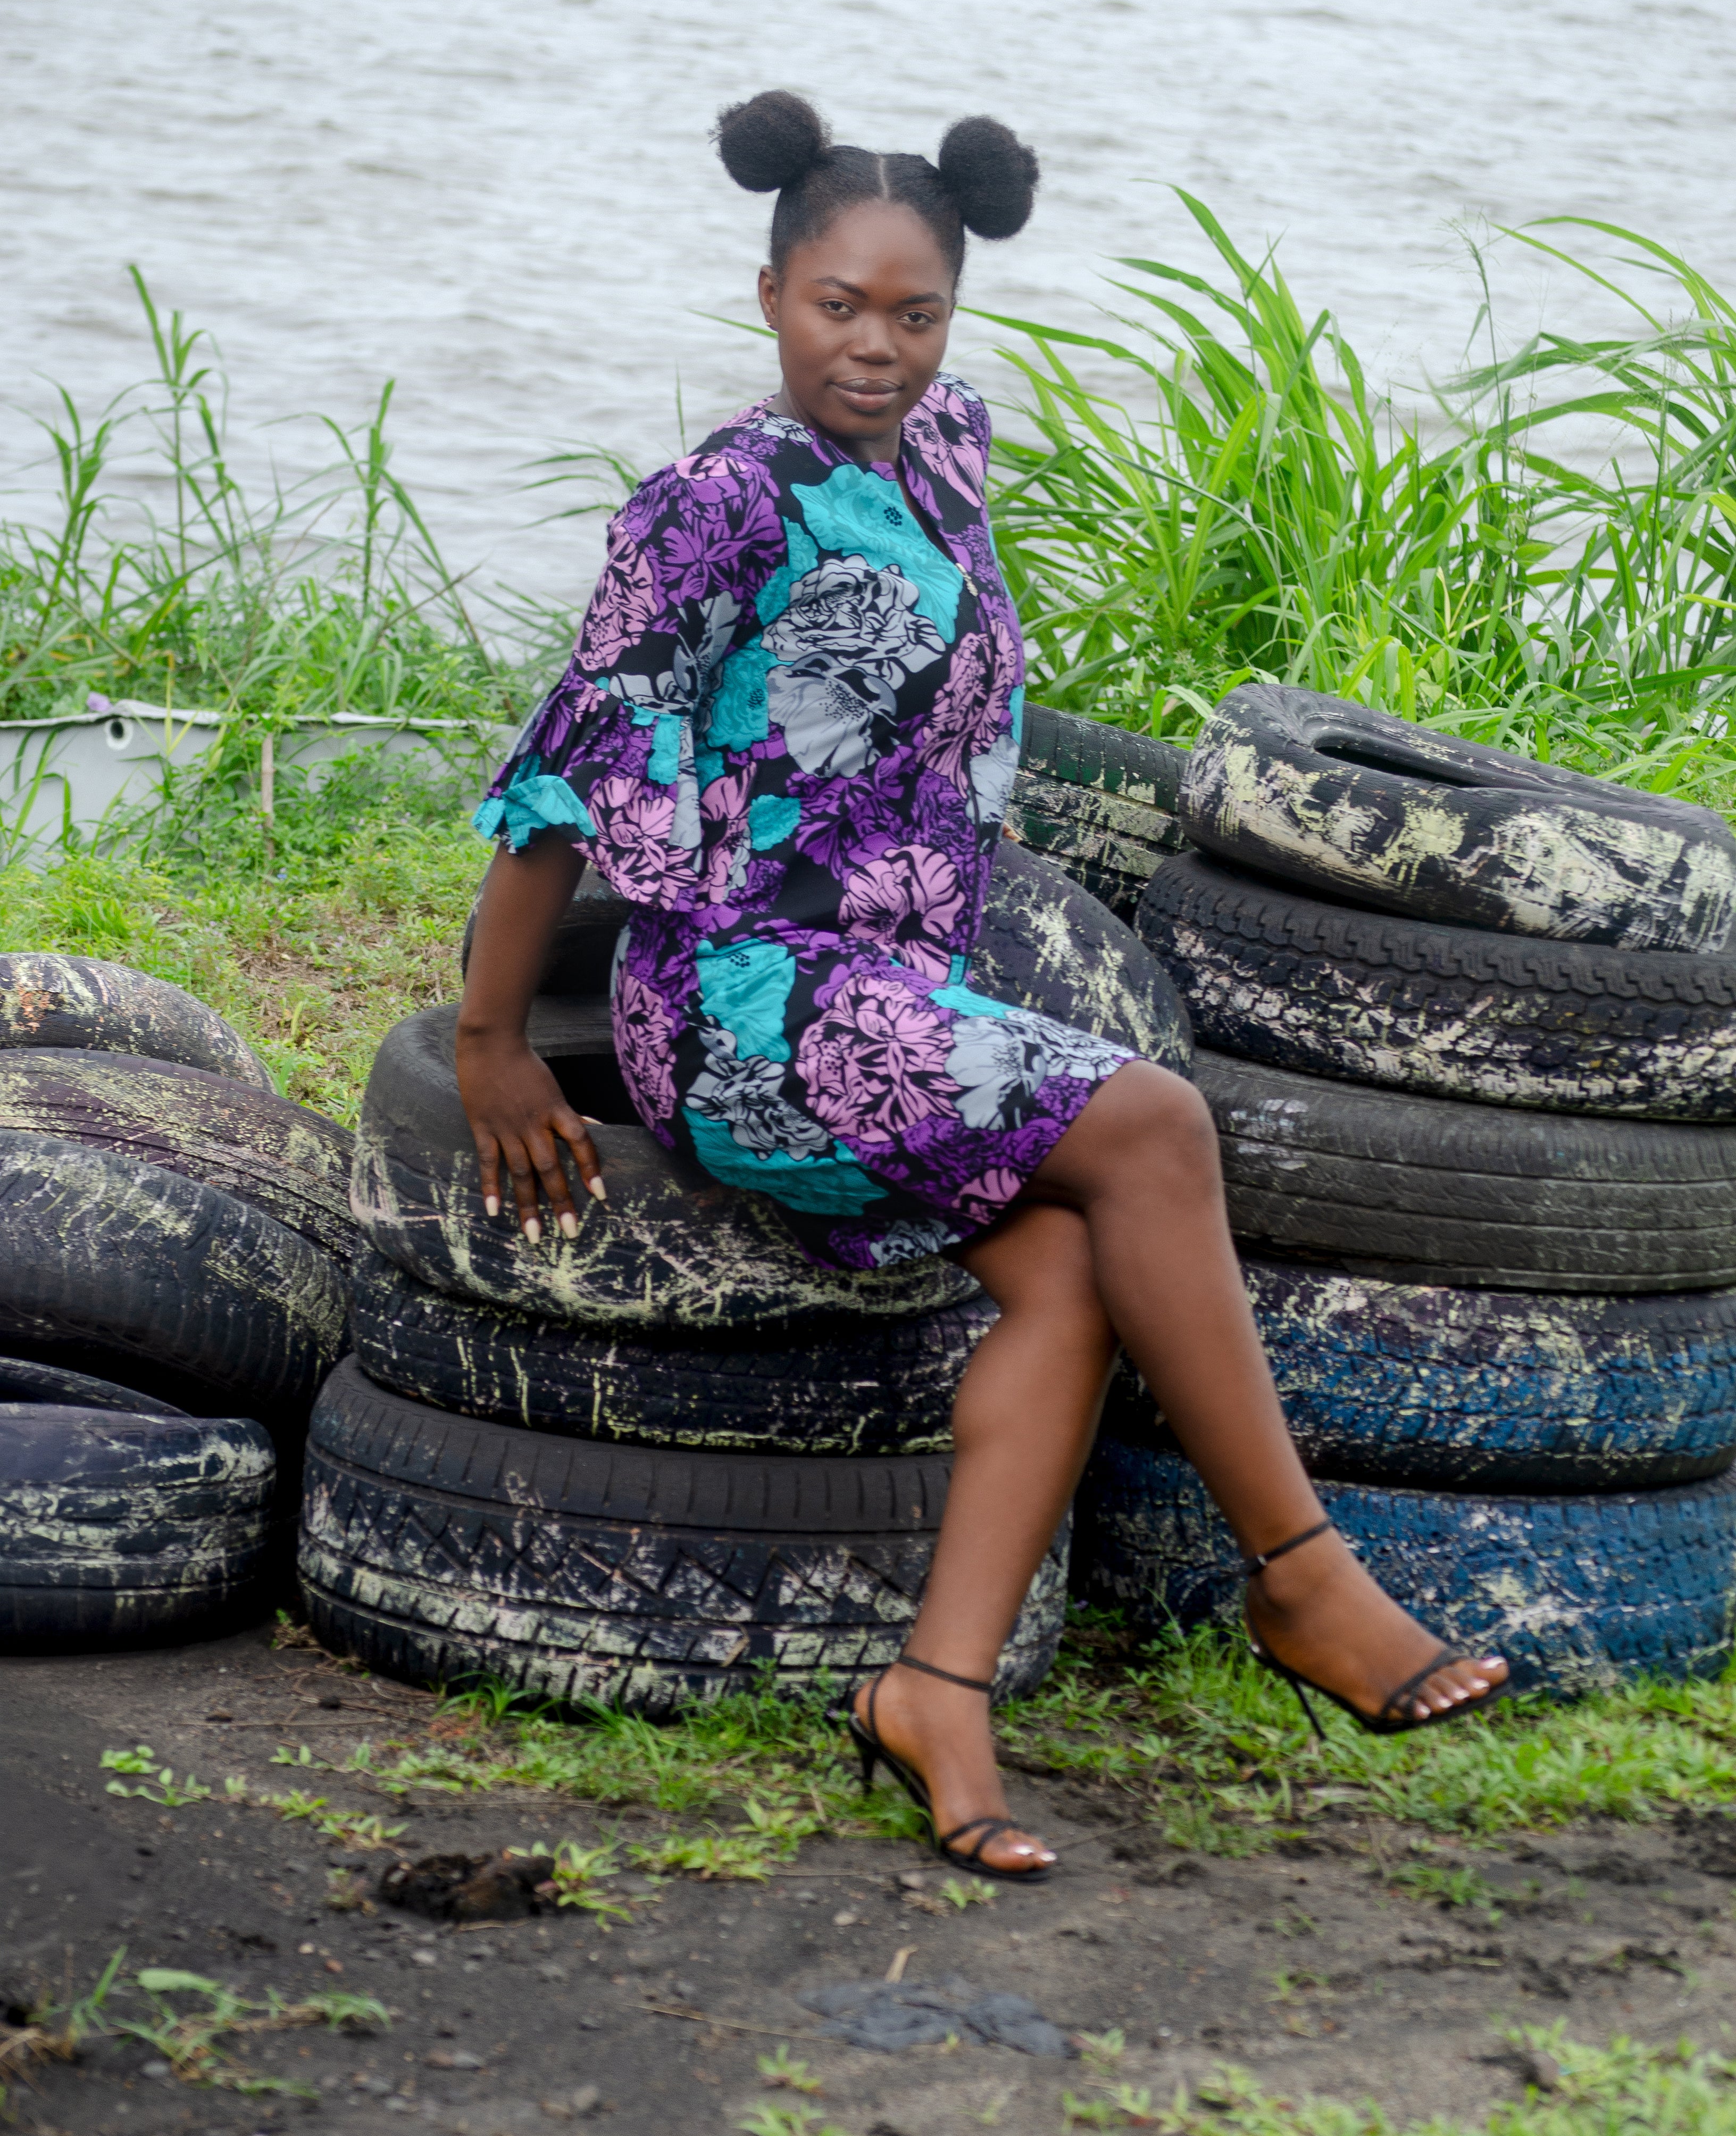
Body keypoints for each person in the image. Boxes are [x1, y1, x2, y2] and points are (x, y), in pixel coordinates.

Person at [457, 90, 1509, 1882]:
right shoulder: (713, 503)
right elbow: (569, 768)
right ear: (770, 291)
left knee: (1081, 1264)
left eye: (915, 312)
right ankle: (1307, 1584)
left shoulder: (948, 456)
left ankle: (936, 1690)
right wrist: (489, 1039)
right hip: (745, 1000)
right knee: (1156, 1124)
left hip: (882, 991)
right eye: (837, 307)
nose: (874, 346)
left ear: (955, 312)